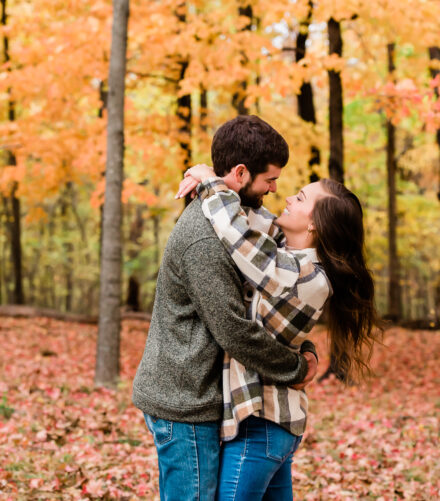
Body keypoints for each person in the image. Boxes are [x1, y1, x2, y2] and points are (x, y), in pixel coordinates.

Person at [132, 116, 319, 501]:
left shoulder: (232, 220)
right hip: (185, 403)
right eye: (270, 180)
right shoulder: (204, 238)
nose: (273, 189)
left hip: (200, 397)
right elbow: (234, 330)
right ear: (240, 173)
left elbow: (279, 242)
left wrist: (207, 178)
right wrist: (297, 368)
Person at [176, 163, 379, 500]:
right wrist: (219, 178)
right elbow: (250, 220)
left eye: (299, 198)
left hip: (263, 423)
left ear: (314, 224)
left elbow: (238, 236)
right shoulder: (290, 255)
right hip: (269, 423)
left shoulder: (302, 273)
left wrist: (211, 183)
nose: (286, 197)